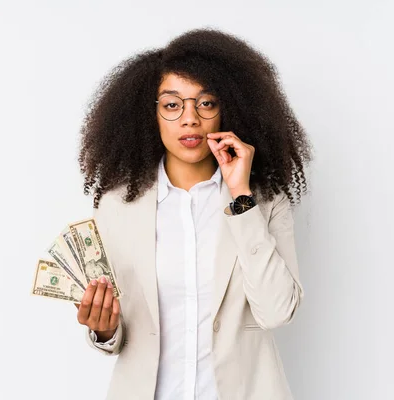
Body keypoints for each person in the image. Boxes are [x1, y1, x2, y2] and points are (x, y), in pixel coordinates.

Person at [74, 28, 312, 400]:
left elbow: (277, 311)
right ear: (149, 114)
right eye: (172, 105)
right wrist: (103, 330)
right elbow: (121, 331)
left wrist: (241, 197)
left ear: (227, 109)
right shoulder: (116, 207)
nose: (190, 119)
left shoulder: (264, 202)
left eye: (206, 103)